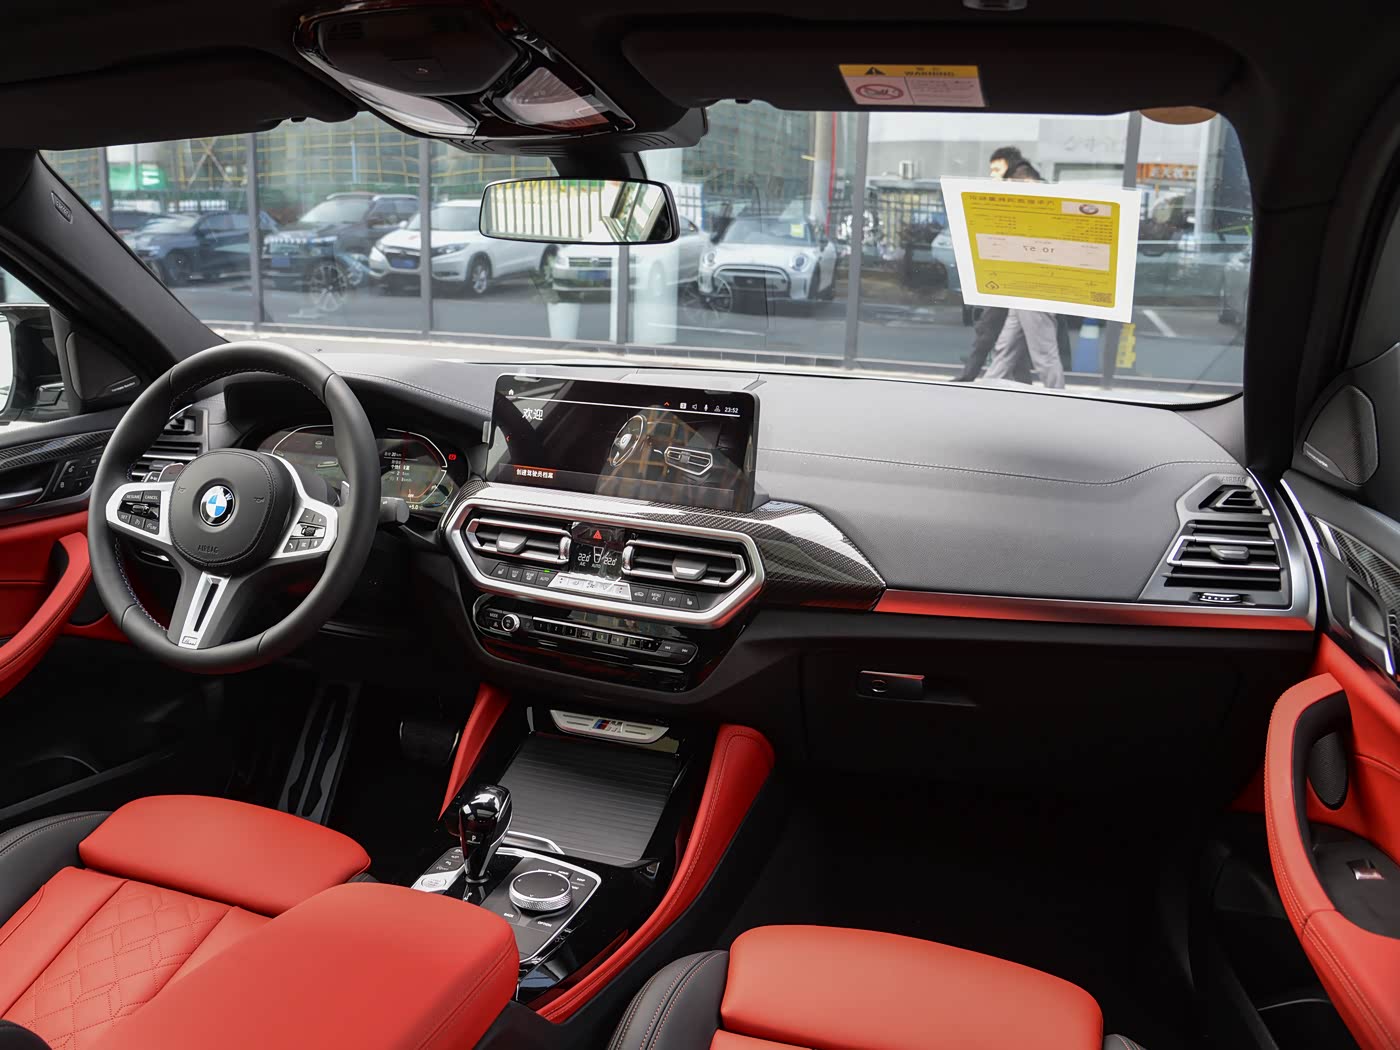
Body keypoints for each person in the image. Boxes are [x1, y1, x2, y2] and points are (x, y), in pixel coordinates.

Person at [980, 157, 1066, 389]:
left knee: (1043, 355)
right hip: (1019, 288)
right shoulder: (1026, 210)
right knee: (1005, 348)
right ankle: (987, 388)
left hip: (1037, 290)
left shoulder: (1046, 211)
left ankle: (1059, 396)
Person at [954, 146, 1033, 384]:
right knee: (1013, 333)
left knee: (990, 328)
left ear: (1009, 165)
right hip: (1014, 274)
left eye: (996, 169)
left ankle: (969, 375)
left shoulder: (1022, 180)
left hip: (1013, 275)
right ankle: (1021, 380)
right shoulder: (1018, 181)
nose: (992, 174)